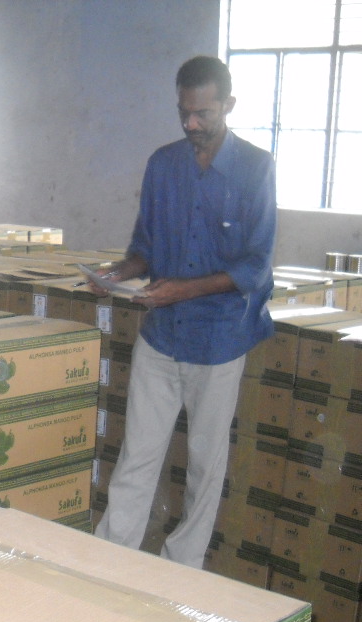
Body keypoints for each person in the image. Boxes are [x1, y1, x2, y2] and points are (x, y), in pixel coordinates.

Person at [92, 55, 276, 568]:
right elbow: (145, 247)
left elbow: (255, 266)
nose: (191, 124)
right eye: (183, 113)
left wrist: (183, 291)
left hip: (219, 341)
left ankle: (182, 571)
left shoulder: (256, 168)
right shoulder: (163, 164)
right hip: (162, 337)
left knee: (203, 468)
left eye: (203, 114)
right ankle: (110, 562)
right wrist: (119, 273)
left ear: (228, 105)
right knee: (136, 458)